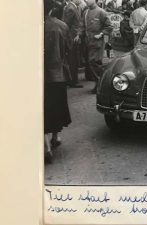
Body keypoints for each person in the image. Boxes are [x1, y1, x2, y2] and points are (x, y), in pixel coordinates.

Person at [44, 0, 72, 162]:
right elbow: (68, 48)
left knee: (44, 109)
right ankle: (56, 136)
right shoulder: (62, 25)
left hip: (41, 75)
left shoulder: (34, 26)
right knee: (57, 107)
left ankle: (47, 145)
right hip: (58, 74)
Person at [80, 0, 113, 93]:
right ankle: (100, 83)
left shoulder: (101, 12)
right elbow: (82, 25)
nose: (86, 1)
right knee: (92, 63)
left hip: (97, 42)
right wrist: (79, 34)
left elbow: (109, 26)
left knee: (94, 62)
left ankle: (100, 84)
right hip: (87, 41)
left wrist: (101, 33)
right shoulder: (86, 12)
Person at [63, 0, 83, 88]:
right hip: (71, 39)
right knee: (72, 60)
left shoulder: (75, 7)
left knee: (74, 59)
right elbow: (66, 25)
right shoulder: (71, 8)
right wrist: (70, 38)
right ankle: (72, 81)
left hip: (74, 38)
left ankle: (73, 80)